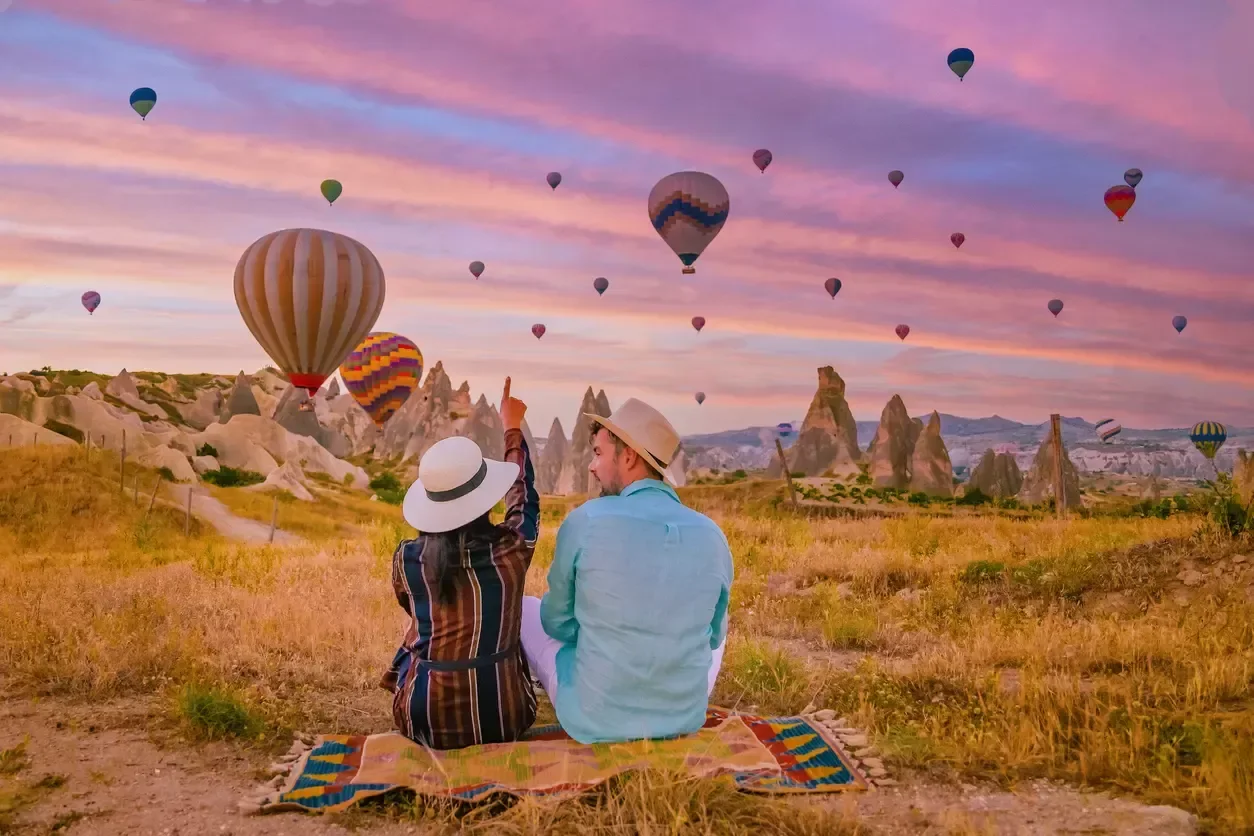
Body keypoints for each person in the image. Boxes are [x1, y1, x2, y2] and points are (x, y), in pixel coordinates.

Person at [520, 398, 733, 744]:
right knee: (719, 626)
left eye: (599, 453)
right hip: (684, 715)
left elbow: (555, 622)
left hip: (594, 717)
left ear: (629, 456)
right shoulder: (712, 534)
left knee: (525, 608)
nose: (591, 466)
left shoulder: (586, 520)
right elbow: (711, 637)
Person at [381, 377, 540, 749]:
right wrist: (512, 428)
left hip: (424, 723)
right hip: (505, 720)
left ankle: (400, 680)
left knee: (419, 628)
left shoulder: (408, 559)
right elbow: (524, 497)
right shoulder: (513, 550)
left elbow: (411, 606)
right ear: (485, 498)